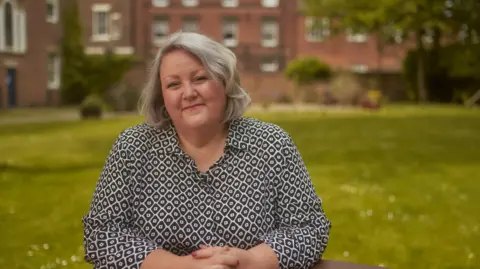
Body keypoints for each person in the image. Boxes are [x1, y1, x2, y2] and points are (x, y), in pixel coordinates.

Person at [82, 31, 331, 269]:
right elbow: (101, 234)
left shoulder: (271, 143)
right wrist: (179, 266)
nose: (188, 93)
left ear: (224, 82)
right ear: (162, 98)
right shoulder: (133, 147)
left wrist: (253, 262)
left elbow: (309, 228)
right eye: (173, 84)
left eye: (200, 78)